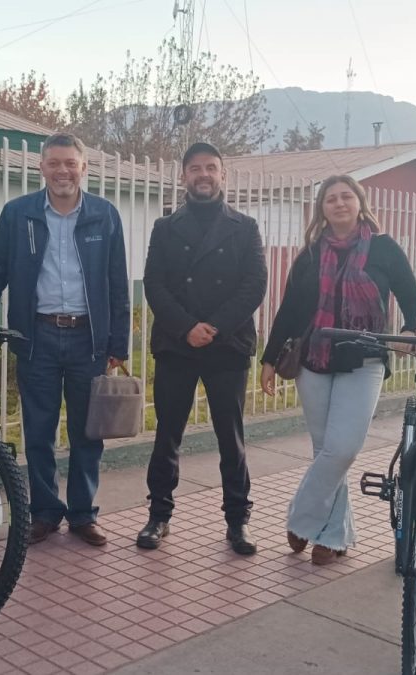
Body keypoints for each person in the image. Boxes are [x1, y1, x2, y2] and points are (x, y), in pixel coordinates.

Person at [0, 133, 130, 547]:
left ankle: (83, 514)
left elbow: (117, 284)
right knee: (39, 430)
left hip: (87, 340)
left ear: (84, 167)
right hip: (36, 337)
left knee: (88, 433)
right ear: (41, 168)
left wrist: (118, 343)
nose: (62, 171)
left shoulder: (104, 216)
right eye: (54, 163)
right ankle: (44, 512)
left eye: (70, 163)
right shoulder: (18, 215)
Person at [259, 176, 416, 565]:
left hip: (363, 361)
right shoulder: (311, 254)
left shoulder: (383, 249)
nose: (339, 203)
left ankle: (301, 519)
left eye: (346, 195)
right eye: (330, 198)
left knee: (342, 449)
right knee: (326, 452)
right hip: (314, 362)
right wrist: (268, 359)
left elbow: (414, 298)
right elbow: (289, 311)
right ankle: (332, 537)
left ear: (360, 203)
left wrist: (410, 330)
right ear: (322, 209)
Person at [137, 142, 268, 555]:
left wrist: (215, 326)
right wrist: (186, 327)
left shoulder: (245, 227)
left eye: (211, 168)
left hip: (226, 345)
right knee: (167, 434)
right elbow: (154, 283)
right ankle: (159, 515)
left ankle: (237, 521)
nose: (204, 175)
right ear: (183, 176)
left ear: (222, 175)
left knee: (230, 437)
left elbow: (254, 285)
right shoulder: (164, 227)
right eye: (195, 168)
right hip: (178, 344)